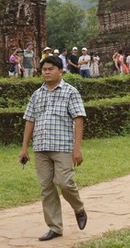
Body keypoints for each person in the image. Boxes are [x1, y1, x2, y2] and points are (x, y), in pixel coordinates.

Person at [19, 56, 88, 241]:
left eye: (50, 69)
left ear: (60, 71)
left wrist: (77, 149)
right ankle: (55, 227)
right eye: (44, 69)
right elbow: (29, 121)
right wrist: (24, 148)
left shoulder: (70, 92)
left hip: (63, 147)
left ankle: (79, 208)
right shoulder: (37, 94)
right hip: (41, 148)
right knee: (47, 188)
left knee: (64, 183)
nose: (47, 72)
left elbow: (78, 119)